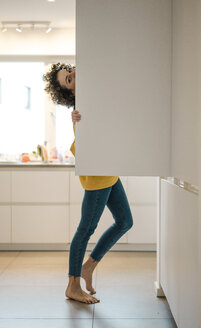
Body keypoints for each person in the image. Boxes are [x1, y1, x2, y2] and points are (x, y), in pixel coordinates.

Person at [43, 63, 133, 304]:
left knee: (125, 221)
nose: (73, 76)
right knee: (85, 229)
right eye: (68, 80)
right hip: (97, 175)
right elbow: (87, 138)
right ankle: (72, 284)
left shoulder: (94, 96)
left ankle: (88, 267)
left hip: (109, 171)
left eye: (71, 72)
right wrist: (77, 118)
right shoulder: (80, 108)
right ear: (69, 93)